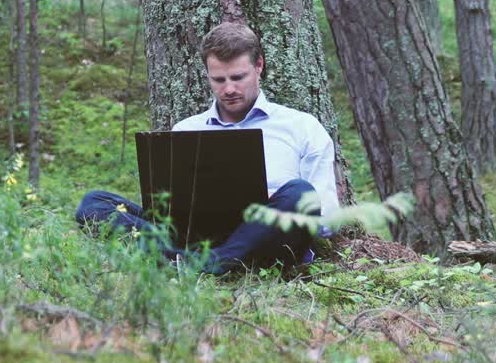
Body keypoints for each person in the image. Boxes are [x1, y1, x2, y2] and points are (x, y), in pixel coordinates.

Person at [75, 22, 338, 274]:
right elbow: (166, 208)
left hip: (264, 236)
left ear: (259, 66)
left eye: (238, 77)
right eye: (219, 80)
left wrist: (271, 200)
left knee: (300, 193)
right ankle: (188, 259)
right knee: (95, 203)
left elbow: (325, 217)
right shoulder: (186, 130)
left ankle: (207, 263)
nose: (229, 89)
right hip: (195, 234)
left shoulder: (301, 126)